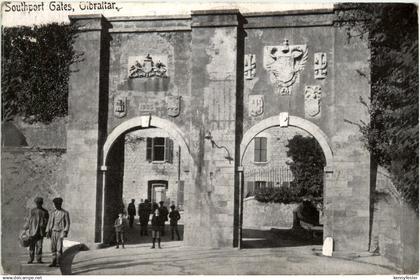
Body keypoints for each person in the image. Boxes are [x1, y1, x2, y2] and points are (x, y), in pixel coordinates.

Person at [23, 197, 49, 264]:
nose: (38, 204)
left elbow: (47, 222)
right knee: (32, 246)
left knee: (39, 246)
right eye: (37, 203)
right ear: (36, 203)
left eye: (40, 203)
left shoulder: (45, 212)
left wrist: (46, 230)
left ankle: (39, 259)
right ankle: (30, 259)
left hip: (40, 232)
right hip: (32, 231)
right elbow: (29, 221)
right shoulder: (32, 211)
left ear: (42, 203)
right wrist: (25, 228)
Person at [46, 197, 70, 267]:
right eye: (55, 204)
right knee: (53, 247)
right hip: (53, 231)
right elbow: (49, 222)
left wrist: (65, 231)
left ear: (61, 204)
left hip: (61, 232)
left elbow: (68, 223)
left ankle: (59, 262)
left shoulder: (65, 213)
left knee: (59, 248)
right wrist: (47, 231)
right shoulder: (52, 212)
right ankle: (53, 261)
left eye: (58, 204)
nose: (57, 205)